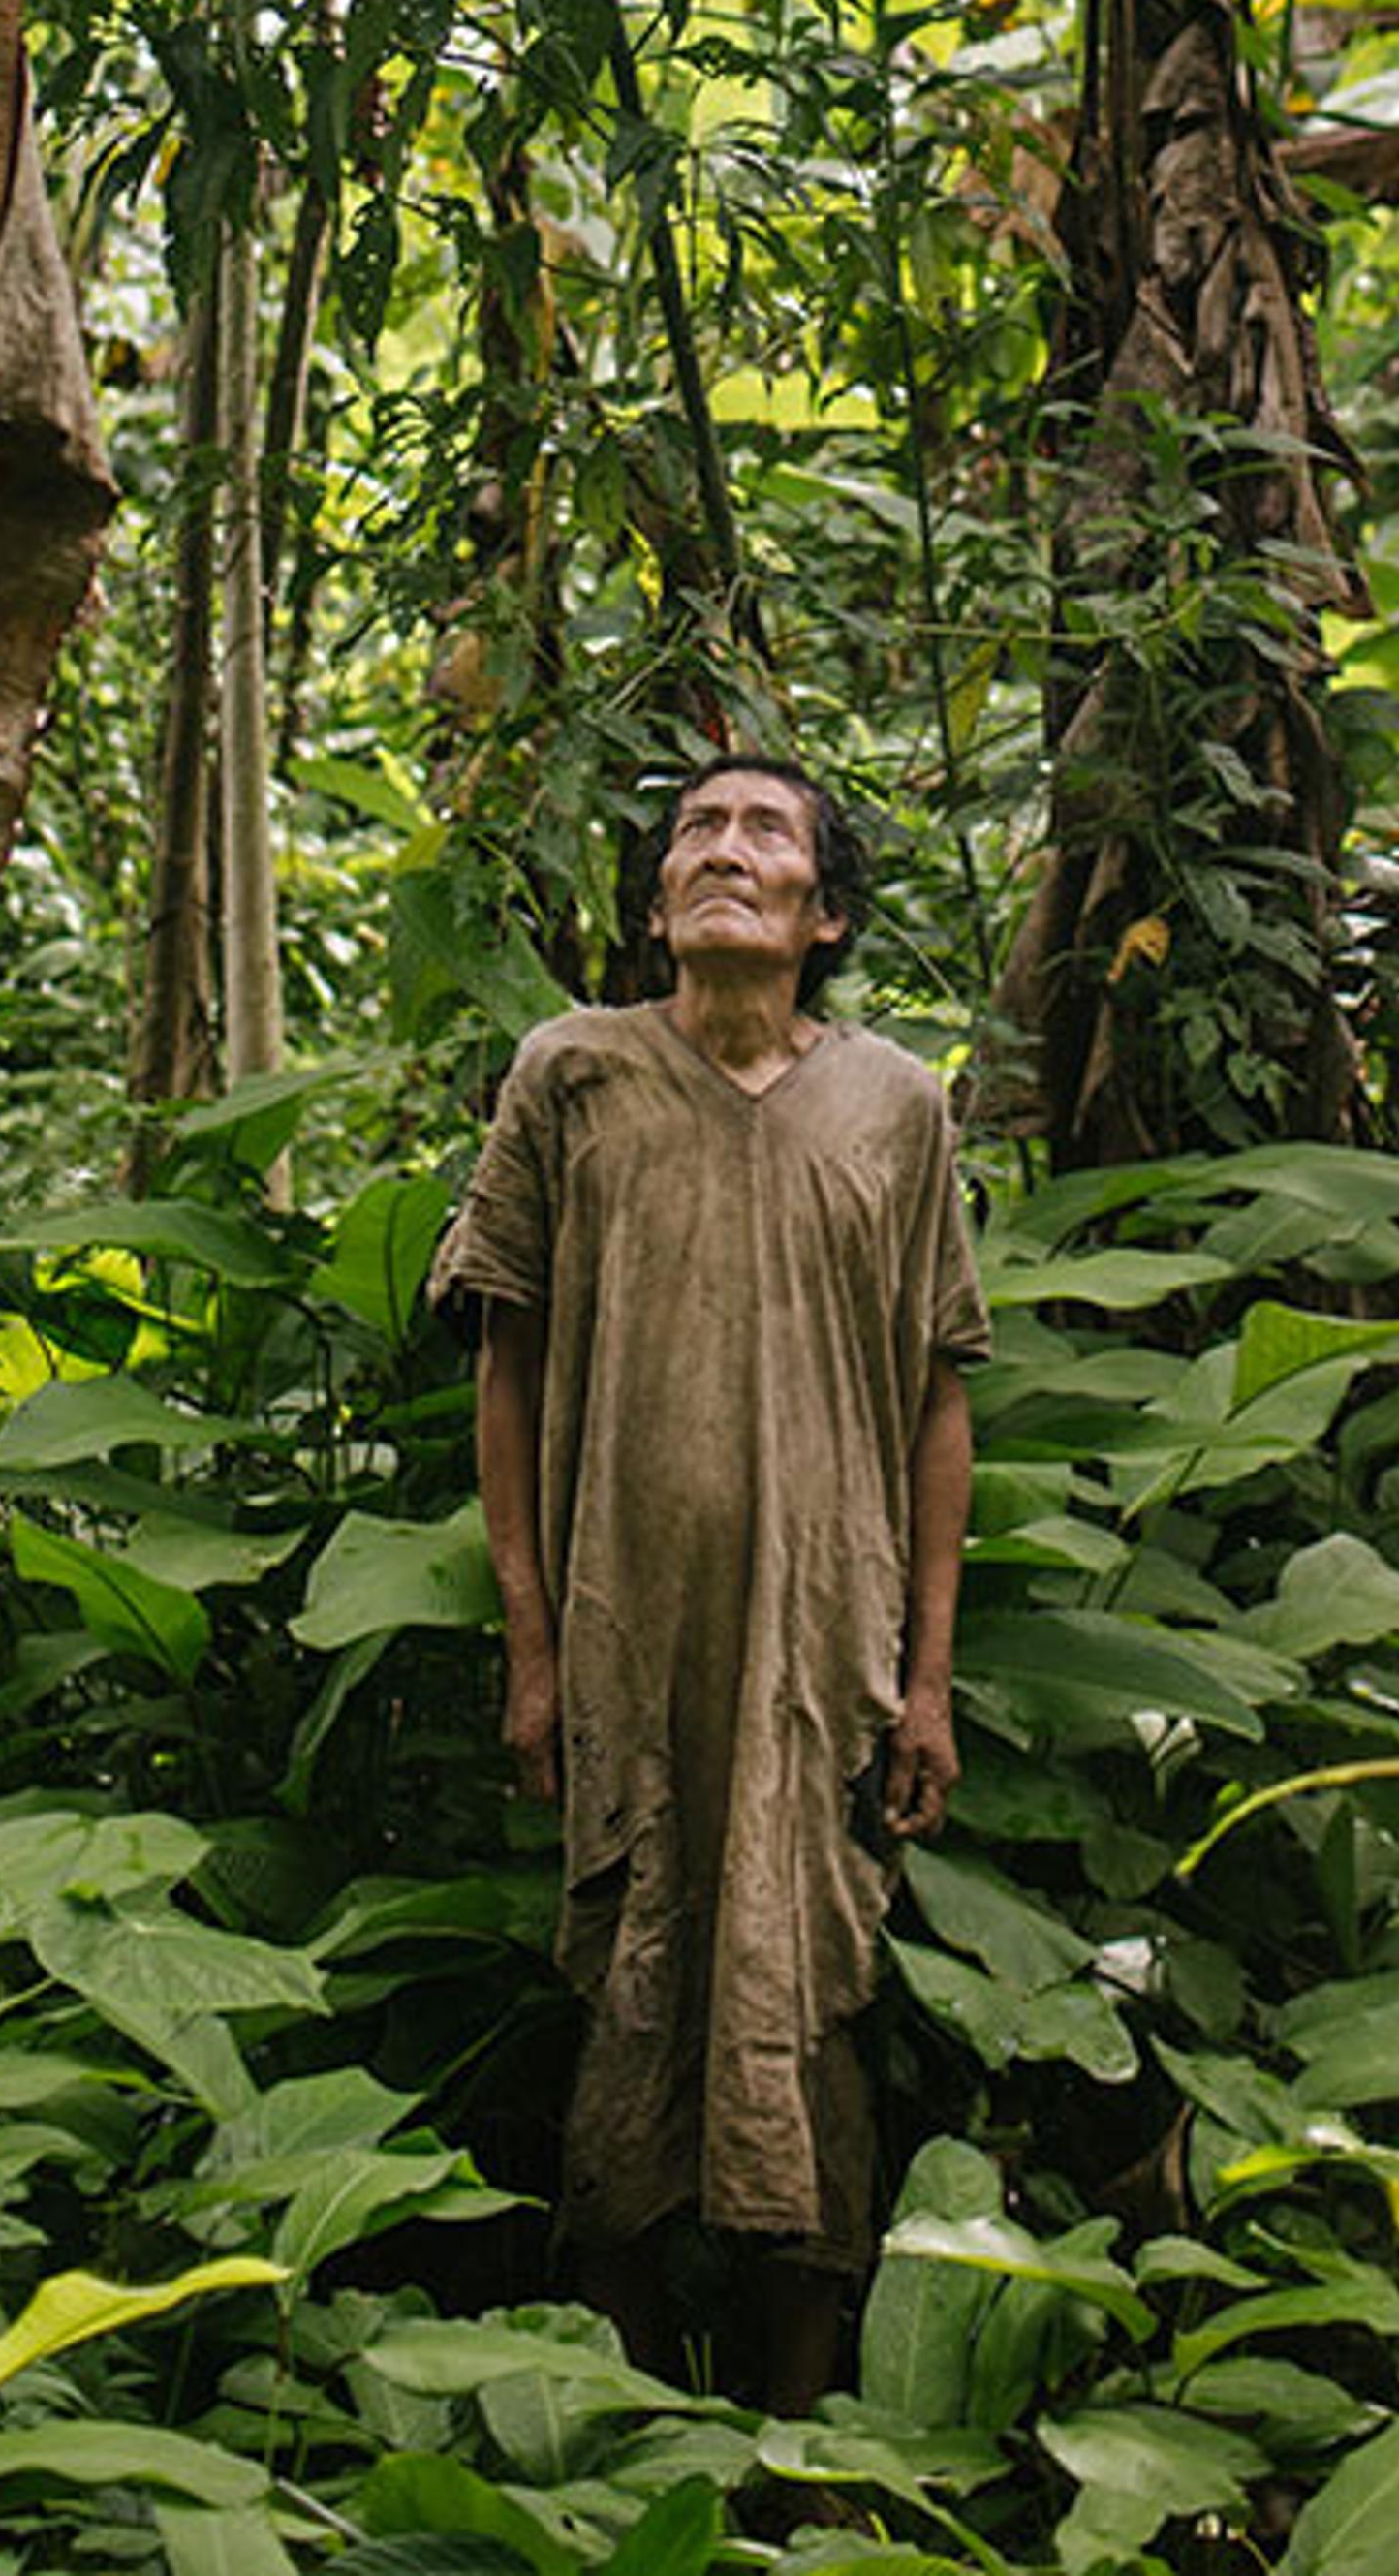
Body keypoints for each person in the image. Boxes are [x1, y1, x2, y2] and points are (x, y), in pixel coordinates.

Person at [427, 751, 986, 2408]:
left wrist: (932, 1677)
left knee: (807, 1984)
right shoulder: (573, 1076)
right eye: (693, 831)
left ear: (821, 914)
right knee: (635, 1960)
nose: (722, 852)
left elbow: (942, 1388)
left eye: (764, 833)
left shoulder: (897, 1104)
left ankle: (798, 2437)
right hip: (627, 1626)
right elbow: (505, 1364)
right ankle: (619, 2416)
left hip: (829, 1640)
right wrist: (530, 1643)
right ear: (657, 899)